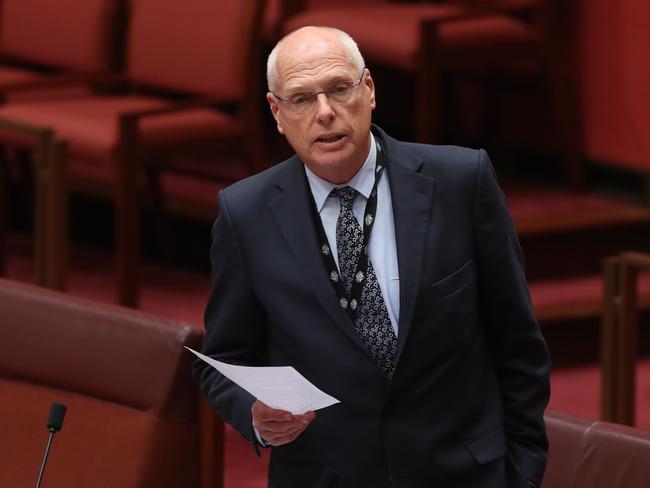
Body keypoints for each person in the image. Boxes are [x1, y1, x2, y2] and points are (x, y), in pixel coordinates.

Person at [193, 25, 550, 488]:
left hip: (462, 475)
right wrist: (256, 415)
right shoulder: (246, 215)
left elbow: (518, 344)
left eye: (339, 89)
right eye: (301, 99)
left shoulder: (462, 182)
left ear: (369, 90)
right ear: (276, 113)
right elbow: (224, 359)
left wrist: (521, 475)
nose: (325, 113)